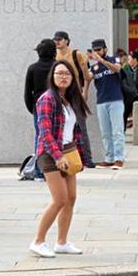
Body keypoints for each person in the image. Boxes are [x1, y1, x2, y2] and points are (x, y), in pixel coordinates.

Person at [30, 60, 89, 258]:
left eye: (67, 74)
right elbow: (45, 133)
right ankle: (38, 241)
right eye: (59, 73)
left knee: (71, 198)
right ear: (52, 77)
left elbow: (75, 131)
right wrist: (57, 157)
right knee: (60, 199)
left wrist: (79, 157)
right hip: (50, 154)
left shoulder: (70, 99)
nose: (63, 77)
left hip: (69, 152)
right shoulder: (47, 99)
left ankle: (62, 242)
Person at [54, 31, 94, 166]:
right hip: (60, 96)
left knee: (81, 127)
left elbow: (86, 77)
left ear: (67, 41)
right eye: (55, 40)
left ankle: (87, 159)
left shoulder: (76, 54)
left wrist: (85, 91)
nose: (57, 42)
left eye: (59, 39)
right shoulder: (56, 56)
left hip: (75, 94)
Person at [88, 38, 125, 169]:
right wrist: (83, 63)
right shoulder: (94, 67)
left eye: (99, 49)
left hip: (116, 100)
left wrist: (102, 61)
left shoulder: (114, 59)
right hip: (101, 101)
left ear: (105, 49)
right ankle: (109, 158)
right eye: (95, 50)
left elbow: (117, 69)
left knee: (117, 131)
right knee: (105, 132)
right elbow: (87, 77)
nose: (97, 52)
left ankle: (119, 158)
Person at [24, 38, 57, 181]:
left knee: (40, 138)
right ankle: (56, 168)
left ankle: (39, 171)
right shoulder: (58, 66)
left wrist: (32, 108)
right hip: (57, 105)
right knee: (57, 137)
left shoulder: (32, 68)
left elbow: (27, 92)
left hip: (39, 107)